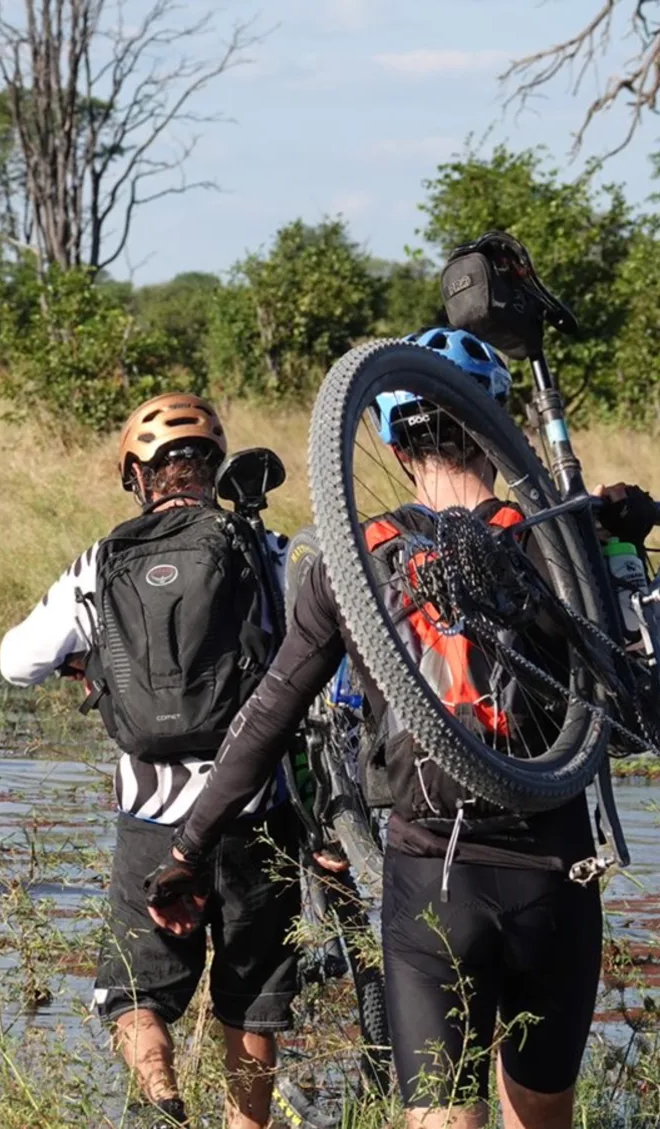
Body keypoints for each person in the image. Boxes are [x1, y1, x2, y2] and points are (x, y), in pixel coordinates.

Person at [146, 329, 658, 1129]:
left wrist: (187, 848)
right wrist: (624, 525)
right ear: (498, 424)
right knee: (543, 1117)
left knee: (439, 1119)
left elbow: (269, 719)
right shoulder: (562, 537)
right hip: (556, 870)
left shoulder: (353, 561)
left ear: (388, 436)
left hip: (431, 874)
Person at [0, 393, 292, 1129]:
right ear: (214, 468)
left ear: (137, 474)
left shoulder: (99, 563)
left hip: (151, 822)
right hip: (258, 809)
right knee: (250, 998)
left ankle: (162, 1088)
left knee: (134, 992)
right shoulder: (265, 546)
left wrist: (87, 655)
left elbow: (14, 661)